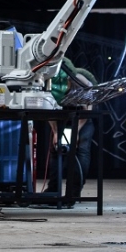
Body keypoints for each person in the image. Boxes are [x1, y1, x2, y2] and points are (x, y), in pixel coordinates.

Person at [44, 57, 97, 206]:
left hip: (82, 115)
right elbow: (49, 111)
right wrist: (55, 132)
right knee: (56, 150)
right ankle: (52, 191)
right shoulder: (48, 83)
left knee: (81, 150)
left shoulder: (81, 82)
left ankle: (74, 192)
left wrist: (76, 131)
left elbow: (87, 110)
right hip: (61, 113)